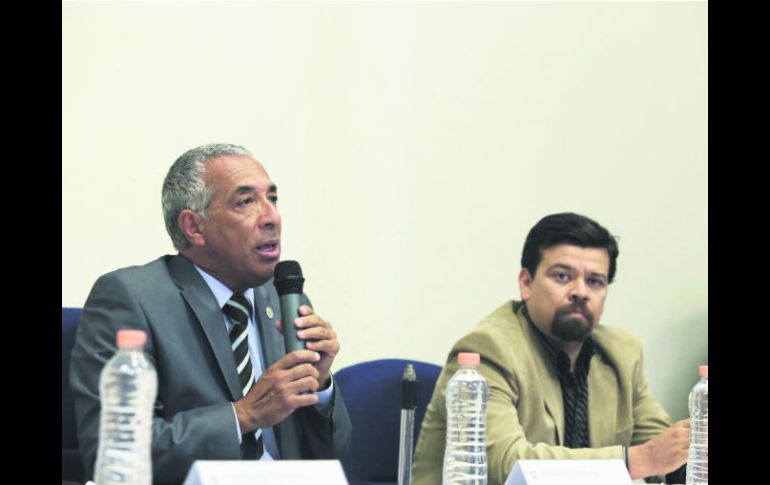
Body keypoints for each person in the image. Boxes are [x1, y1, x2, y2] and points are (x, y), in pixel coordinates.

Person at [70, 143, 352, 484]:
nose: (271, 217)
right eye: (246, 202)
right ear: (194, 227)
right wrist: (243, 415)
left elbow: (335, 455)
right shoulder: (133, 299)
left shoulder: (284, 301)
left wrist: (319, 386)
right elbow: (116, 455)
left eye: (273, 198)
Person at [411, 212, 689, 484]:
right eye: (562, 276)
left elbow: (659, 446)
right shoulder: (489, 349)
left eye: (595, 281)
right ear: (526, 283)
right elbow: (504, 465)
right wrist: (639, 459)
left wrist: (688, 460)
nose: (580, 292)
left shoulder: (622, 353)